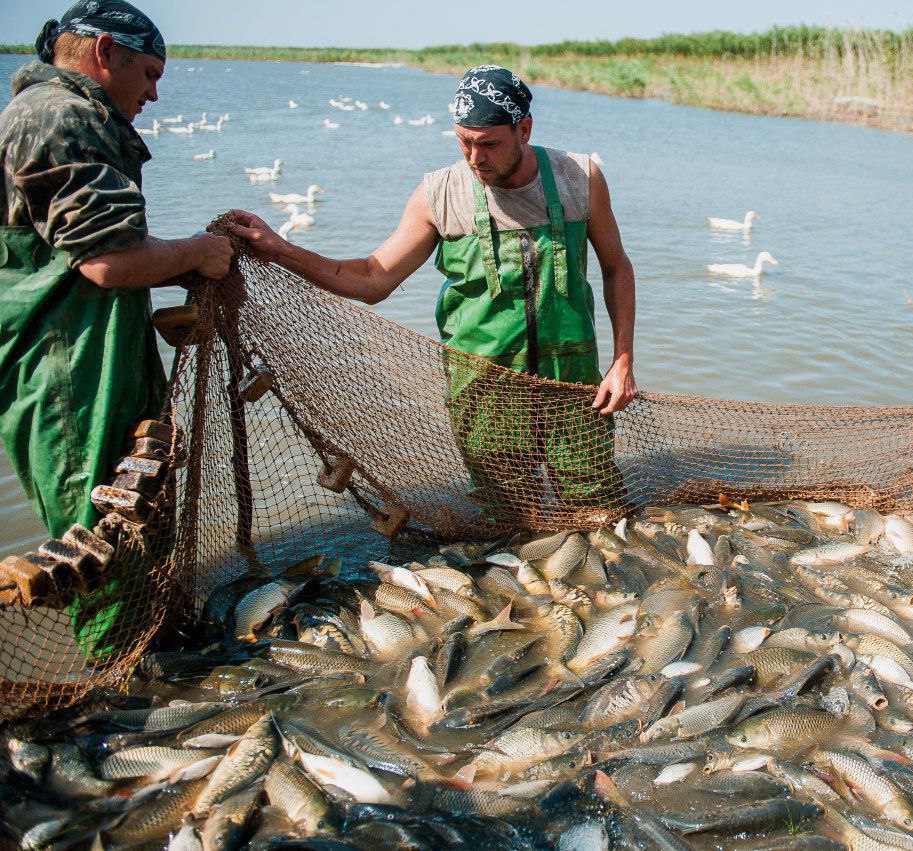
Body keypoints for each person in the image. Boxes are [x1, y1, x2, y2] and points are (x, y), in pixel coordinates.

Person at [225, 65, 637, 523]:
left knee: (600, 511)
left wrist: (622, 362)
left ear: (524, 129)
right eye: (464, 141)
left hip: (573, 383)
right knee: (514, 520)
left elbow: (616, 267)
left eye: (489, 143)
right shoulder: (438, 193)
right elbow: (372, 278)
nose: (475, 157)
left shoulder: (579, 177)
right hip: (483, 390)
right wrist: (281, 250)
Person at [0, 0, 233, 657]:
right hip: (65, 372)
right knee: (99, 540)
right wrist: (195, 253)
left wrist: (184, 262)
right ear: (105, 53)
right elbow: (108, 262)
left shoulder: (71, 113)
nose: (156, 93)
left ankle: (149, 664)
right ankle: (118, 711)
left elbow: (98, 251)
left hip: (95, 356)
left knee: (140, 514)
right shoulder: (58, 115)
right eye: (150, 73)